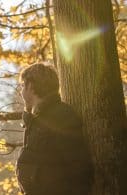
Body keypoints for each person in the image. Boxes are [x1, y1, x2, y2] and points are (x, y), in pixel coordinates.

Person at [13, 63, 93, 195]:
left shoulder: (60, 116)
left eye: (23, 86)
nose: (21, 92)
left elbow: (79, 165)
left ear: (31, 86)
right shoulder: (36, 120)